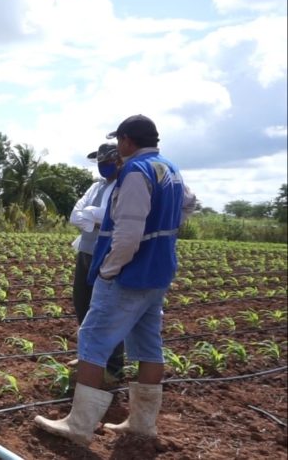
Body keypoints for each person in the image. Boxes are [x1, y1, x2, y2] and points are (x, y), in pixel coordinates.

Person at [35, 114, 196, 445]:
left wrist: (109, 270)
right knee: (148, 345)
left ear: (126, 140)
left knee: (92, 340)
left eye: (119, 141)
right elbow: (188, 206)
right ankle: (142, 423)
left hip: (130, 273)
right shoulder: (169, 169)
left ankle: (78, 425)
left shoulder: (136, 171)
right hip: (158, 272)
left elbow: (128, 234)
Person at [68, 143, 124, 380]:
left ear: (119, 160)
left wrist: (93, 216)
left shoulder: (124, 185)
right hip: (86, 250)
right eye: (100, 162)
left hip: (108, 253)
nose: (103, 166)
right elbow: (75, 216)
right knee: (82, 303)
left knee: (106, 309)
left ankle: (113, 366)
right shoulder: (95, 186)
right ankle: (88, 355)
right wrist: (96, 219)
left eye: (108, 161)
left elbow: (113, 218)